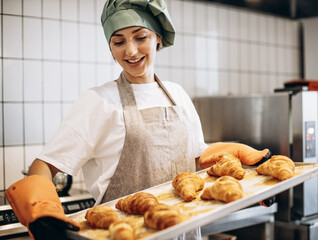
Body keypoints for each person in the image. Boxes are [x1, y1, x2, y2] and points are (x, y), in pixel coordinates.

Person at [5, 0, 270, 239]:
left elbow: (197, 157)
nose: (130, 51)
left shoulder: (177, 94)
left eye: (140, 37)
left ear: (157, 37)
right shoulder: (99, 101)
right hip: (124, 234)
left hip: (183, 230)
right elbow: (45, 165)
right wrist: (43, 216)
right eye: (118, 42)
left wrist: (250, 165)